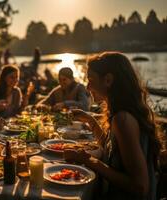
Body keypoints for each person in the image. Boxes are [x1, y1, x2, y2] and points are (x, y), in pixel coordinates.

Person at [64, 52, 160, 200]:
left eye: (91, 80)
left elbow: (140, 187)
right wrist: (90, 120)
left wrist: (88, 160)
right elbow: (111, 150)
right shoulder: (121, 114)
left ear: (108, 80)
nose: (88, 86)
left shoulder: (123, 120)